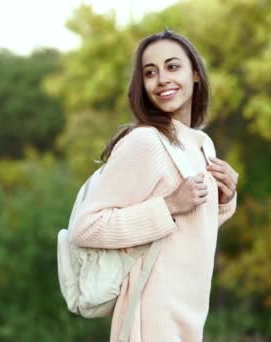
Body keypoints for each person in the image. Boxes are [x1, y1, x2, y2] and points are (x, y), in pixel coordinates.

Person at [70, 29, 239, 342]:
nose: (162, 79)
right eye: (150, 72)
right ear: (142, 85)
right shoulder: (145, 142)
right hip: (151, 320)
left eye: (173, 67)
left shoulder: (202, 145)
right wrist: (170, 205)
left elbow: (189, 233)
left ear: (196, 75)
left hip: (190, 315)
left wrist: (225, 200)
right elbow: (86, 227)